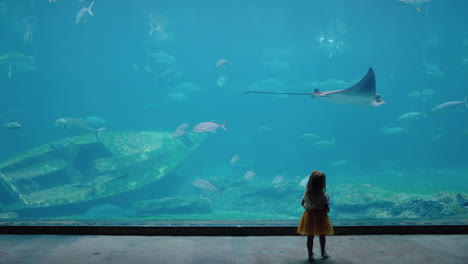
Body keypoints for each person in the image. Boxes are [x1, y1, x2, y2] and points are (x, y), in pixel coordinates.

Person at [297, 170, 334, 262]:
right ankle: (323, 252)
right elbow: (326, 209)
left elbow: (302, 203)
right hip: (320, 217)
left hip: (309, 216)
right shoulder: (324, 195)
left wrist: (309, 204)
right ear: (323, 183)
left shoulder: (307, 193)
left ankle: (310, 255)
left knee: (310, 237)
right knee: (322, 236)